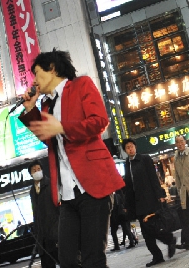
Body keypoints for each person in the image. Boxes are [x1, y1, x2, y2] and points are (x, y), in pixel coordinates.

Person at [18, 50, 124, 268]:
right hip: (66, 193)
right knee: (66, 260)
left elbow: (99, 121)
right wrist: (30, 109)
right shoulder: (46, 105)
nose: (34, 80)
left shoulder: (81, 85)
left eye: (37, 73)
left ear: (52, 69)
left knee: (93, 258)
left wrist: (62, 127)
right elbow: (48, 139)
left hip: (93, 186)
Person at [123, 139, 176, 267]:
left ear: (135, 147)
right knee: (146, 232)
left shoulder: (144, 159)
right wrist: (127, 205)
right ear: (125, 150)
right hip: (137, 203)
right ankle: (157, 256)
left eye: (131, 146)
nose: (130, 149)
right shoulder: (127, 163)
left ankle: (169, 239)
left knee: (152, 227)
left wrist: (160, 195)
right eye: (127, 147)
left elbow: (153, 177)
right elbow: (128, 186)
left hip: (149, 199)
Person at [28, 160, 60, 268]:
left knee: (66, 262)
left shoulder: (51, 184)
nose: (37, 172)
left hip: (55, 234)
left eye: (38, 169)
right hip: (42, 240)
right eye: (34, 170)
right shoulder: (32, 191)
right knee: (47, 264)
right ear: (31, 174)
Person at [110, 185, 137, 250]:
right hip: (122, 214)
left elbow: (114, 207)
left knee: (115, 231)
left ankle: (117, 246)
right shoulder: (120, 194)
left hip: (117, 216)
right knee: (126, 229)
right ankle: (132, 241)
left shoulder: (114, 196)